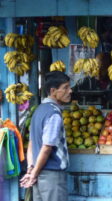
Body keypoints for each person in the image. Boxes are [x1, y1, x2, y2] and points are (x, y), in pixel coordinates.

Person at [20, 71, 72, 201]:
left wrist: (31, 169)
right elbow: (47, 147)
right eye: (65, 88)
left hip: (39, 174)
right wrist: (33, 174)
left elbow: (32, 143)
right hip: (51, 176)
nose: (70, 91)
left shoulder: (39, 110)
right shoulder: (53, 114)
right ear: (53, 91)